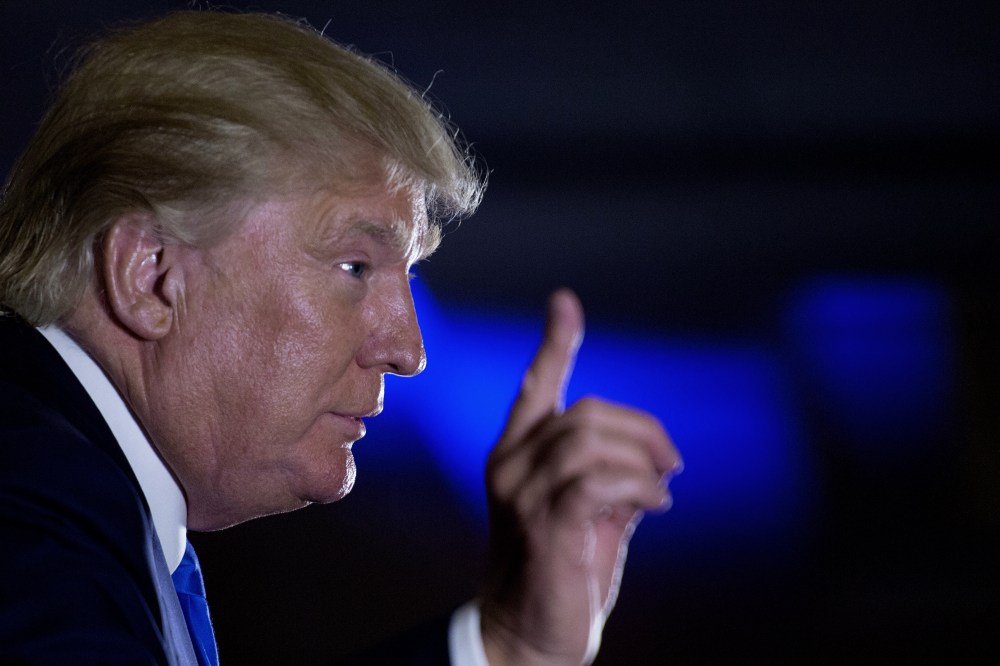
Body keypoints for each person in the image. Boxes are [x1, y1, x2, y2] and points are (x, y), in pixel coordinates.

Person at [0, 10, 680, 665]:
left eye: (406, 273)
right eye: (354, 265)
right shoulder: (28, 511)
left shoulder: (73, 495)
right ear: (149, 276)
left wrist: (509, 645)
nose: (409, 351)